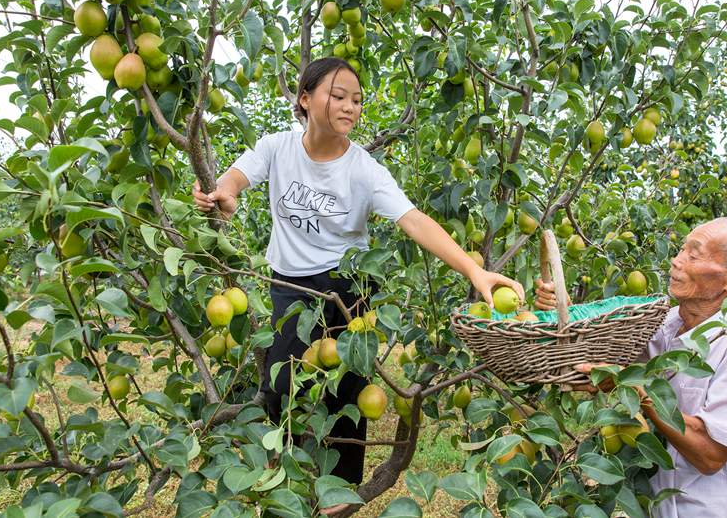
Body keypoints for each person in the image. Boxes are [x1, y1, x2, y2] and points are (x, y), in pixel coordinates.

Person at [193, 57, 524, 490]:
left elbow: (413, 219)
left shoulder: (364, 169)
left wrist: (474, 272)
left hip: (348, 287)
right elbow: (239, 174)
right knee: (282, 386)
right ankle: (278, 478)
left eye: (357, 100)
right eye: (338, 96)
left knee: (347, 390)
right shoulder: (278, 147)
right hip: (290, 285)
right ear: (305, 99)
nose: (350, 107)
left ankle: (340, 491)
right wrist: (227, 193)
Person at [537, 218, 727, 517]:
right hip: (660, 506)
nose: (676, 261)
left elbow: (711, 455)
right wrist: (555, 311)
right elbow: (600, 352)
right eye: (680, 250)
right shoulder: (665, 324)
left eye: (693, 255)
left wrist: (640, 393)